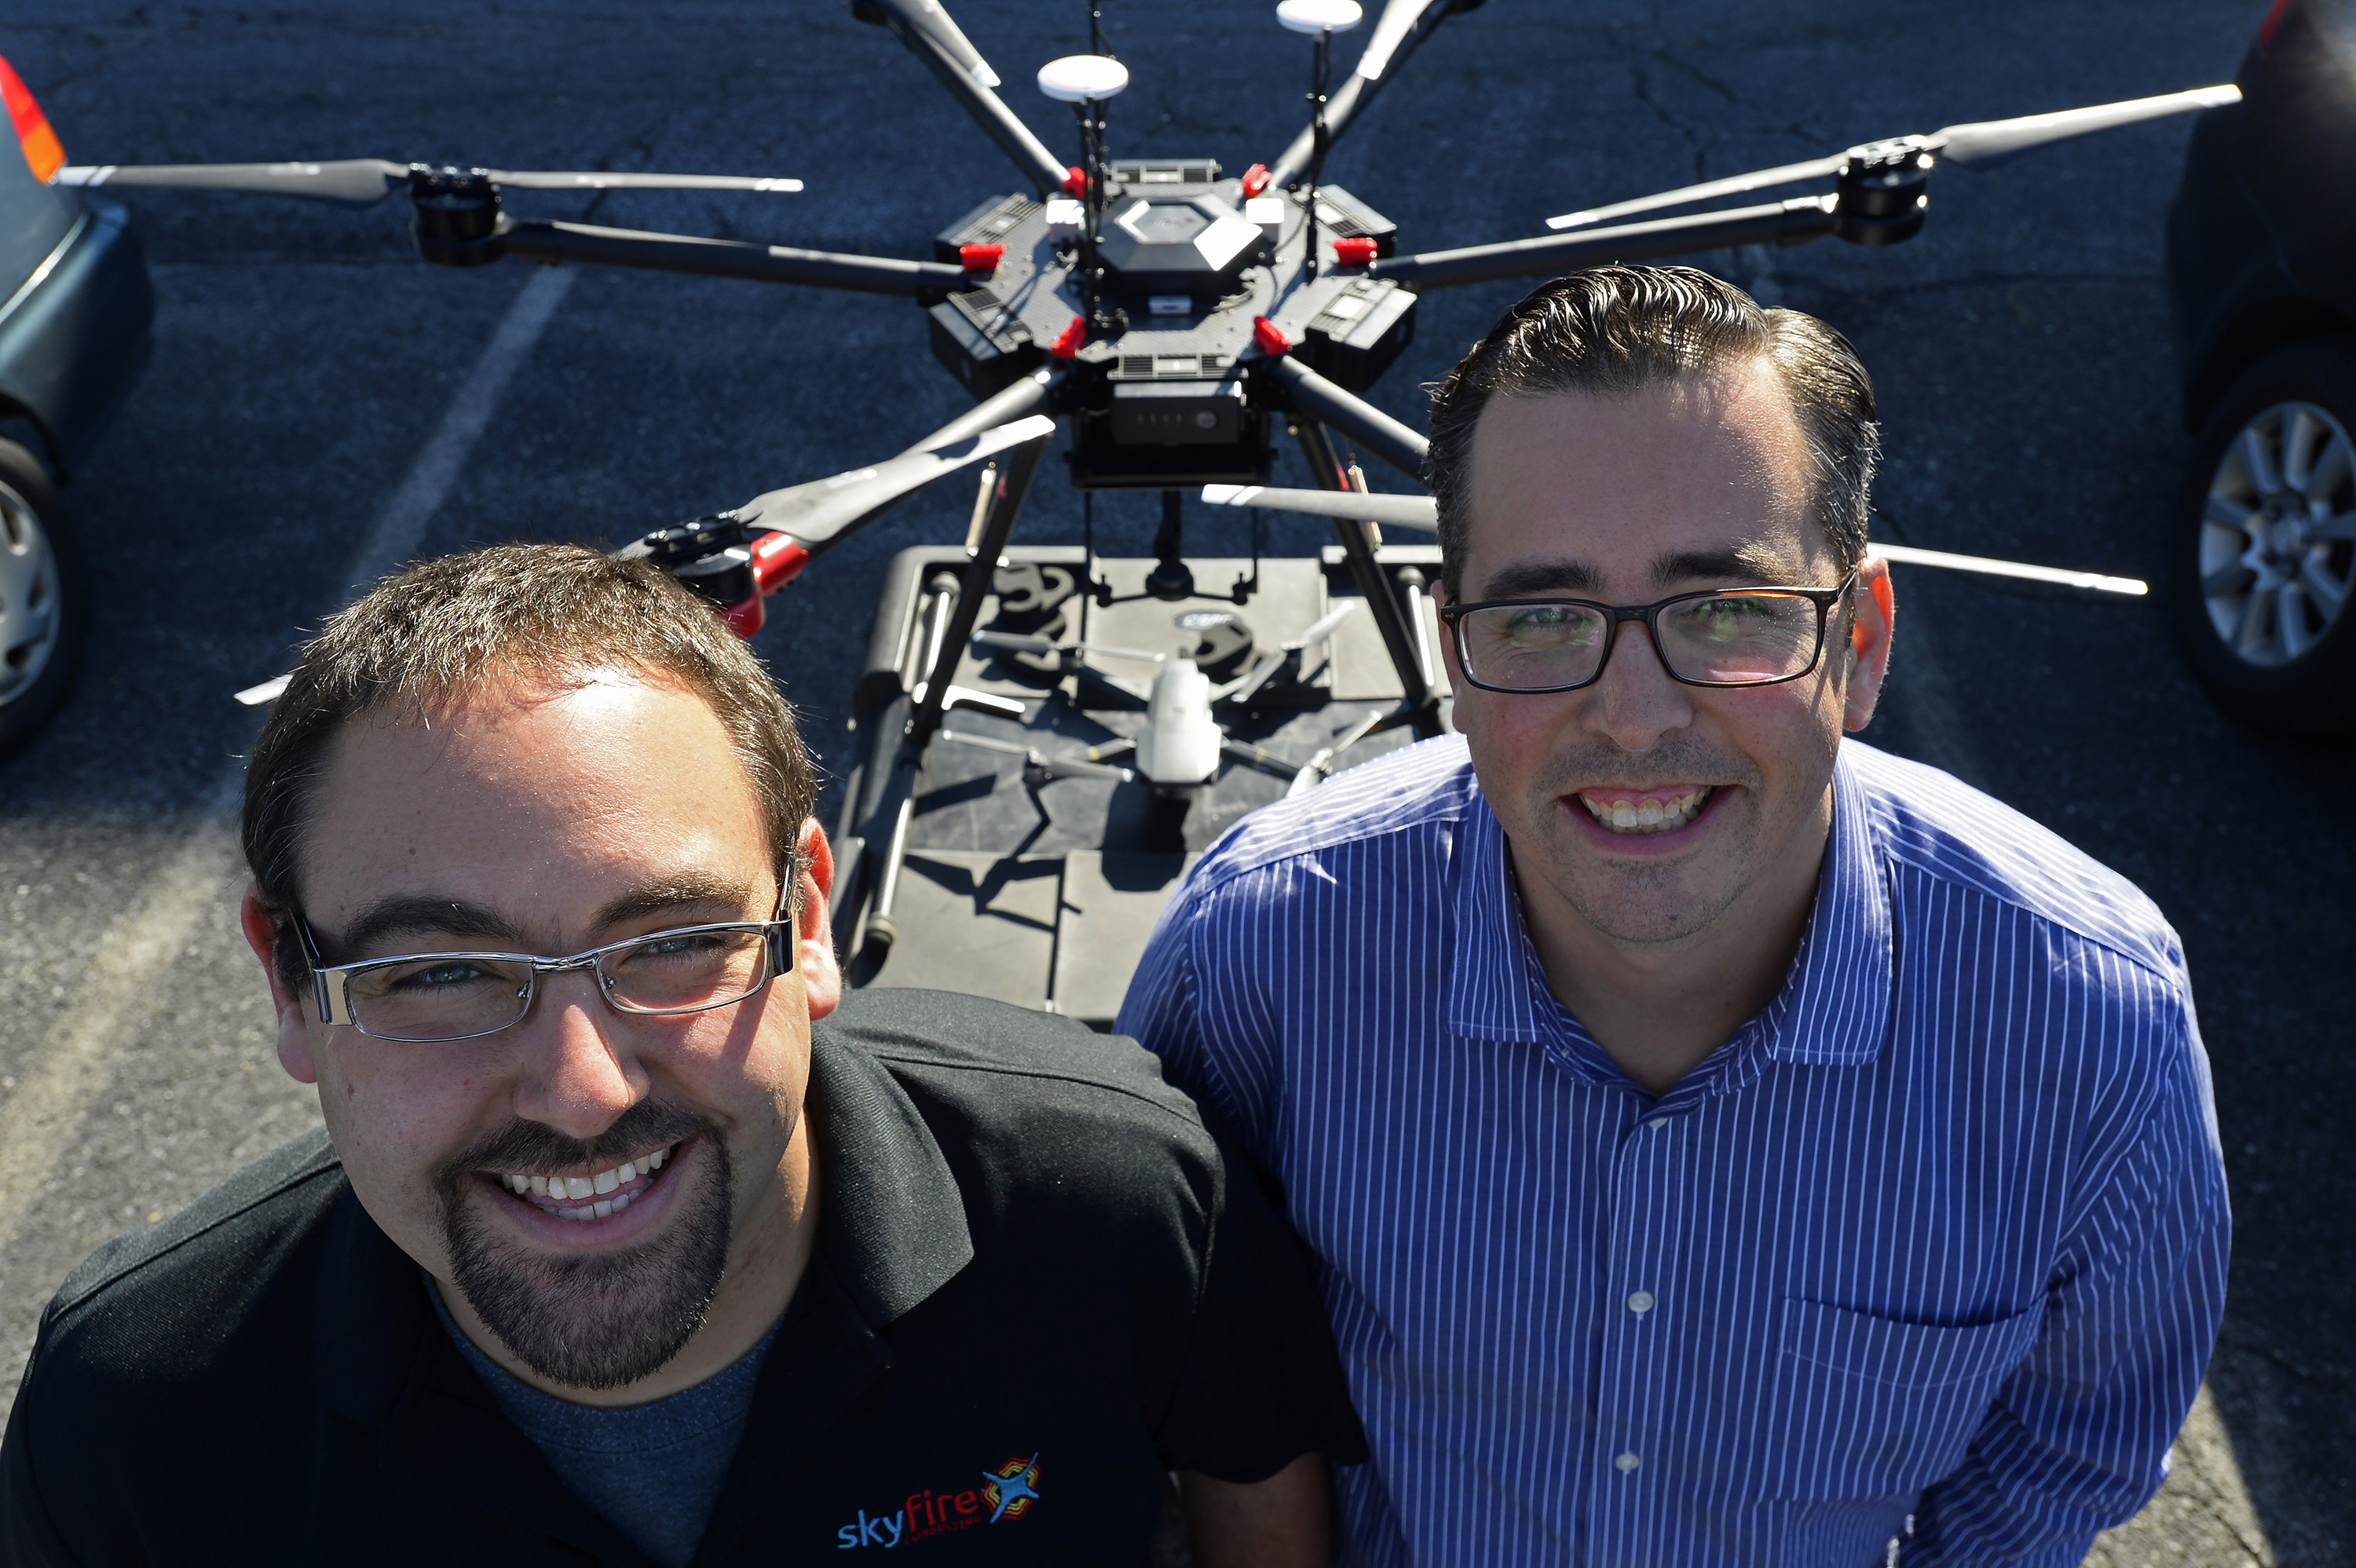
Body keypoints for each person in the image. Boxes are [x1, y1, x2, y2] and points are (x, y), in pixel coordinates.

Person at [1119, 265, 2230, 1566]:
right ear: (1453, 654)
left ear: (1860, 644)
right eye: (1543, 616)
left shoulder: (2092, 1029)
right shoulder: (1252, 961)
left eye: (1726, 610)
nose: (1636, 718)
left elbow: (2070, 1447)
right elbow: (1173, 1387)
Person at [0, 543, 1363, 1566]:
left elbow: (1258, 1492)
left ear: (808, 918)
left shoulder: (1119, 1201)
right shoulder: (132, 1422)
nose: (582, 1089)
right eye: (443, 972)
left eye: (669, 943)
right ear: (291, 986)